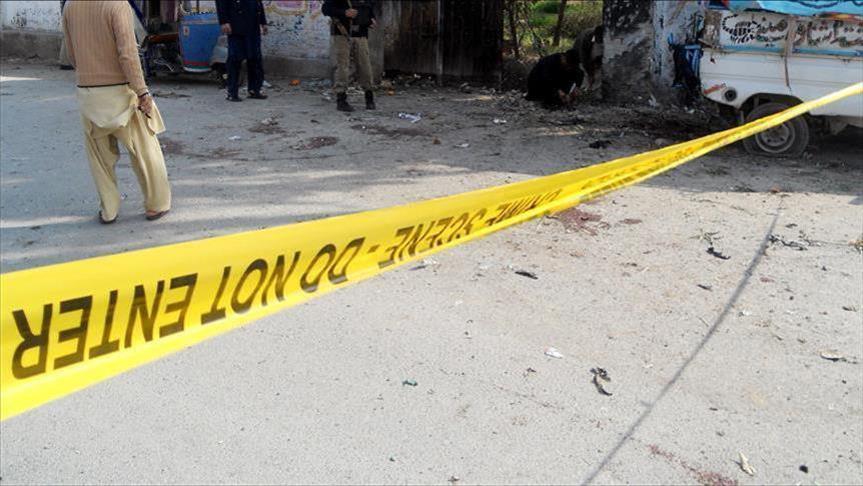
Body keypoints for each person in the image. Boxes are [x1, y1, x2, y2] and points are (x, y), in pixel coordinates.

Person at [62, 0, 171, 223]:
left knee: (100, 159)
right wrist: (142, 91)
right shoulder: (117, 5)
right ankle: (156, 204)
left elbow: (71, 53)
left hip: (88, 93)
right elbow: (128, 54)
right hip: (121, 93)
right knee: (146, 151)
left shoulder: (70, 6)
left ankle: (109, 210)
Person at [322, 0, 377, 112]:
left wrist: (371, 19)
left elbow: (369, 8)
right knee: (342, 67)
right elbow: (326, 9)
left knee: (365, 66)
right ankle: (341, 100)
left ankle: (369, 98)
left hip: (361, 34)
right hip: (342, 34)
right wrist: (344, 13)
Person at [216, 0, 268, 102]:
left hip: (253, 24)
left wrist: (263, 21)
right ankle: (232, 92)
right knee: (235, 59)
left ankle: (255, 89)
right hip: (236, 24)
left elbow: (258, 3)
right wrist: (224, 21)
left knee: (255, 58)